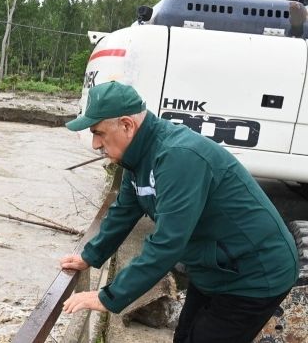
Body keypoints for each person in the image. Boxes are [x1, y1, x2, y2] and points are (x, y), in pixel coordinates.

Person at [60, 81, 299, 343]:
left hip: (255, 272)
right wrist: (90, 256)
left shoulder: (178, 157)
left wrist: (108, 296)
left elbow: (167, 242)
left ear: (127, 125)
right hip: (215, 264)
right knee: (184, 337)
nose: (95, 144)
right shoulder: (136, 158)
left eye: (98, 133)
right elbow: (124, 211)